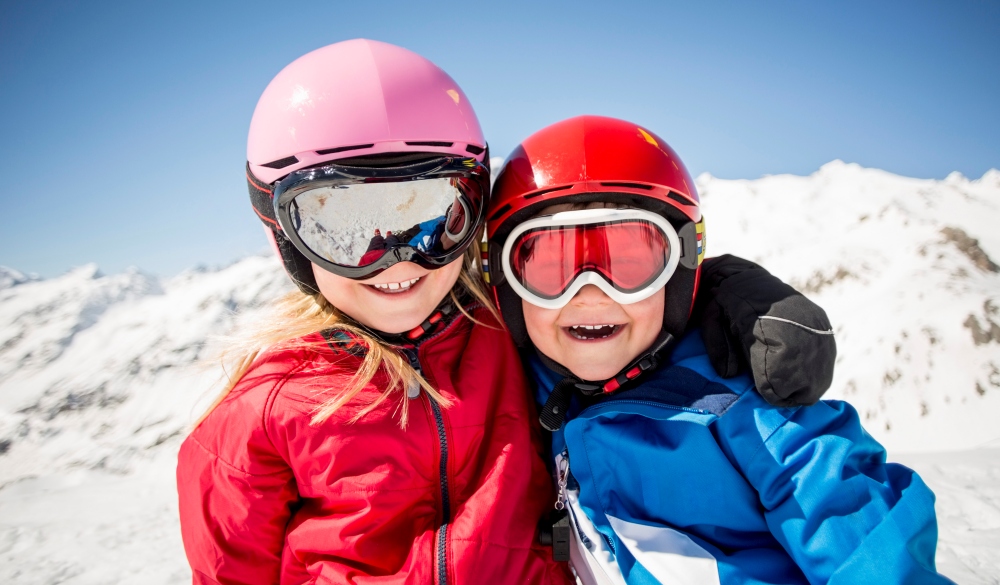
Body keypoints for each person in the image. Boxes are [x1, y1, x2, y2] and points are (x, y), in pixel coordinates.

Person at [176, 41, 835, 584]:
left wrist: (730, 292)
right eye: (344, 228)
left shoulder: (505, 327)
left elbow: (611, 293)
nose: (399, 259)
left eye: (429, 216)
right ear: (283, 231)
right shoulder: (260, 414)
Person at [483, 115, 952, 584]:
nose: (590, 293)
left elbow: (855, 526)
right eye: (549, 268)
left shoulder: (744, 407)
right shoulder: (519, 388)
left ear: (680, 271)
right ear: (505, 283)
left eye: (630, 264)